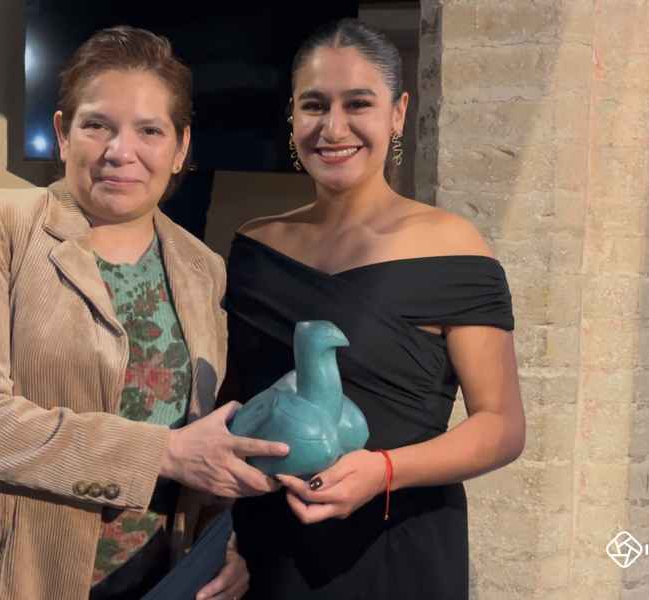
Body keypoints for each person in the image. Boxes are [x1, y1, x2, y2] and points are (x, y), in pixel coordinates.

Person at [0, 26, 287, 600]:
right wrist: (162, 454)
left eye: (149, 130)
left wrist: (229, 542)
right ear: (62, 134)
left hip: (155, 576)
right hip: (9, 573)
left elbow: (206, 440)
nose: (120, 151)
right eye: (97, 125)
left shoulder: (203, 267)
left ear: (180, 148)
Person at [222, 18, 525, 599]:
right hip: (266, 555)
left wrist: (384, 471)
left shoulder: (453, 248)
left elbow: (503, 426)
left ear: (398, 114)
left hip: (397, 550)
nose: (333, 128)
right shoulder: (254, 247)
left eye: (357, 103)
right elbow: (237, 406)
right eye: (314, 105)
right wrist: (224, 532)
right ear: (292, 116)